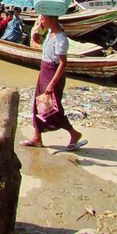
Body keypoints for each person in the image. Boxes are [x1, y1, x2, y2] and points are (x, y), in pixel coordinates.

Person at [21, 14, 86, 150]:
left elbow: (63, 63)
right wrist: (37, 38)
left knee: (52, 109)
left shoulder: (61, 39)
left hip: (53, 73)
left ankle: (74, 133)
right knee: (38, 104)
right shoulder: (50, 32)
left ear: (51, 19)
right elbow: (46, 50)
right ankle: (37, 137)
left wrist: (52, 83)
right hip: (44, 70)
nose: (40, 21)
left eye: (43, 19)